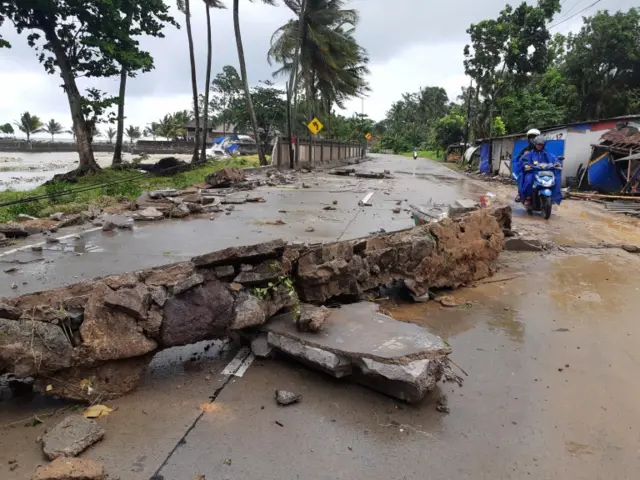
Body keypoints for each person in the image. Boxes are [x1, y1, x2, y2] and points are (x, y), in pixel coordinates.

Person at [518, 136, 562, 208]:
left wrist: (557, 163)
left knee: (556, 179)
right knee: (528, 180)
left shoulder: (546, 153)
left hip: (545, 172)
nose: (539, 146)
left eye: (541, 145)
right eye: (538, 144)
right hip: (533, 172)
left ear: (543, 145)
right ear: (535, 144)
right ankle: (528, 197)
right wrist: (526, 165)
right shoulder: (530, 153)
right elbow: (523, 159)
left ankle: (554, 197)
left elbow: (554, 158)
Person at [513, 128, 541, 202]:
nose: (532, 139)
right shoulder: (526, 149)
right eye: (531, 137)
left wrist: (555, 162)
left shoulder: (541, 149)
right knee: (523, 178)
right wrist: (523, 161)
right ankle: (520, 193)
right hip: (528, 170)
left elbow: (549, 157)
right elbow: (518, 158)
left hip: (539, 170)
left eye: (534, 137)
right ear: (528, 139)